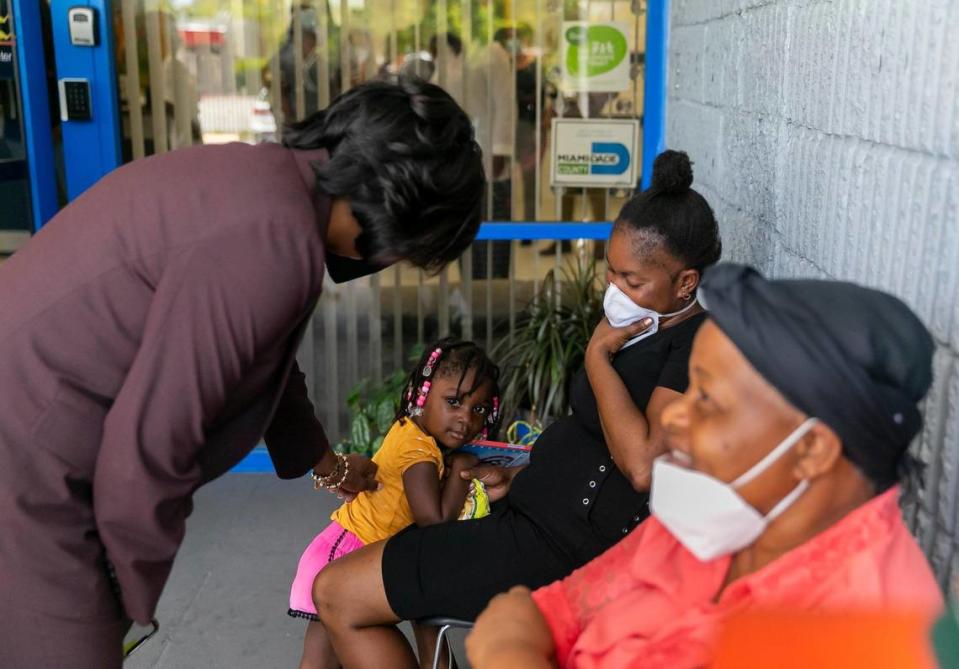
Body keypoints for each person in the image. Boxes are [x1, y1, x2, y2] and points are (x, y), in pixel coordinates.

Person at [0, 77, 484, 669]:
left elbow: (270, 361)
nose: (396, 261)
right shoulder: (272, 241)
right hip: (28, 449)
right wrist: (124, 603)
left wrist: (327, 466)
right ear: (399, 211)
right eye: (413, 247)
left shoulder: (273, 189)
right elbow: (150, 448)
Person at [311, 150, 723, 667]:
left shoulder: (696, 347)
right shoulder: (646, 328)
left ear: (686, 283)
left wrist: (597, 358)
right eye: (612, 273)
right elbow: (593, 435)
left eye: (633, 281)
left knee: (337, 593)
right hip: (528, 516)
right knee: (392, 590)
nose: (615, 290)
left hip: (557, 550)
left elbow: (642, 466)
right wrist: (527, 470)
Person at [465, 263, 944, 669]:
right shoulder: (717, 520)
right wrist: (511, 641)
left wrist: (505, 647)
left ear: (812, 449)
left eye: (708, 399)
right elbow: (546, 611)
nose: (673, 415)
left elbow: (513, 626)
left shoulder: (861, 636)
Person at [290, 339, 500, 669]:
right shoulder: (417, 450)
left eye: (479, 409)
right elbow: (433, 522)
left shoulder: (415, 434)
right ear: (423, 394)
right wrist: (460, 472)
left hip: (359, 551)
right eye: (454, 401)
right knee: (320, 662)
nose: (465, 419)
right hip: (346, 555)